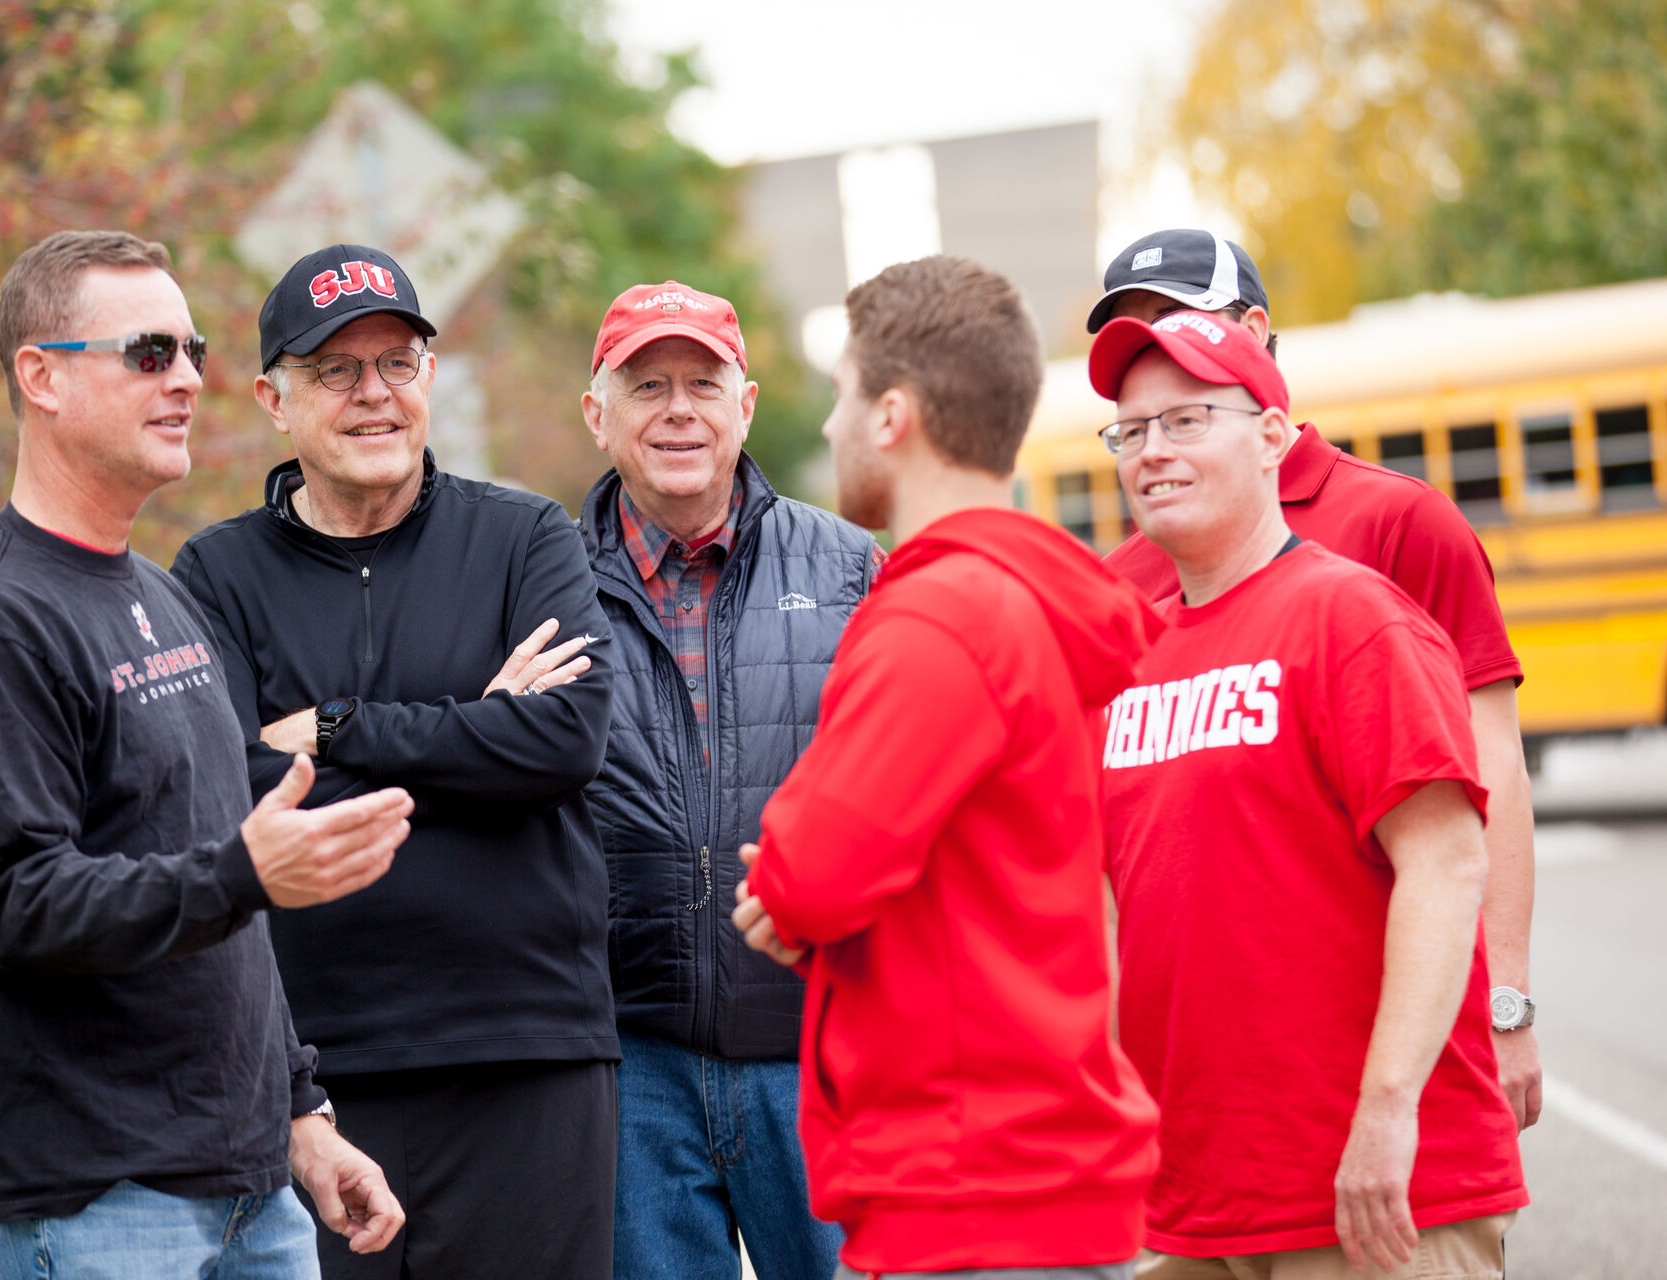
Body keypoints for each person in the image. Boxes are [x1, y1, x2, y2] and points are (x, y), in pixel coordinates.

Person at [0, 229, 413, 1278]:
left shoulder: (157, 592)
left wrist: (301, 1109)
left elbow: (222, 889)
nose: (183, 380)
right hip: (95, 1202)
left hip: (248, 1185)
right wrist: (245, 871)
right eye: (145, 353)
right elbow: (19, 901)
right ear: (39, 376)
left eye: (192, 351)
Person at [170, 243, 618, 1280]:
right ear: (274, 398)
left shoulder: (523, 539)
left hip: (528, 1050)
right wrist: (474, 732)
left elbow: (564, 740)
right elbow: (235, 794)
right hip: (323, 1077)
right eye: (336, 369)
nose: (375, 394)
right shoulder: (218, 574)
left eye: (398, 364)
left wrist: (333, 729)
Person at [732, 255, 1162, 1279]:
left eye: (843, 396)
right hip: (1018, 1178)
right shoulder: (1016, 600)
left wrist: (789, 891)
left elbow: (812, 869)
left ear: (893, 414)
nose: (831, 427)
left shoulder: (938, 614)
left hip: (973, 1192)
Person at [1089, 310, 1527, 1278]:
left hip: (1376, 1193)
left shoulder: (1351, 617)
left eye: (1188, 419)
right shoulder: (1128, 656)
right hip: (1200, 1200)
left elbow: (1448, 862)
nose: (1152, 451)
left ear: (1274, 437)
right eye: (1132, 429)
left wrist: (1386, 1110)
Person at [578, 280, 876, 1280]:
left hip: (818, 1050)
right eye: (647, 383)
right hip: (633, 1062)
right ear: (597, 413)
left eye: (703, 382)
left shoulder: (850, 567)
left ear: (744, 403)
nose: (678, 409)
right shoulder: (542, 584)